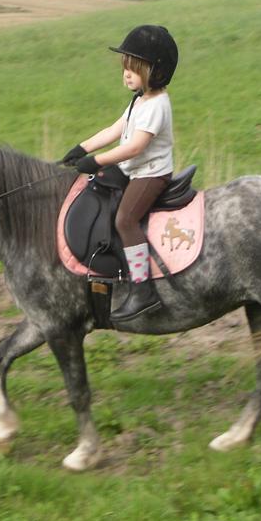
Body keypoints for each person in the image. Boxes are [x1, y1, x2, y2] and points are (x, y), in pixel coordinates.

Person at [61, 24, 179, 323]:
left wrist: (96, 161)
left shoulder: (157, 105)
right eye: (125, 67)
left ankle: (144, 291)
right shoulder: (139, 100)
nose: (126, 74)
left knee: (125, 218)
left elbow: (135, 147)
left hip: (150, 174)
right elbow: (116, 130)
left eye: (134, 68)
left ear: (157, 71)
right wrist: (82, 147)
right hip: (136, 170)